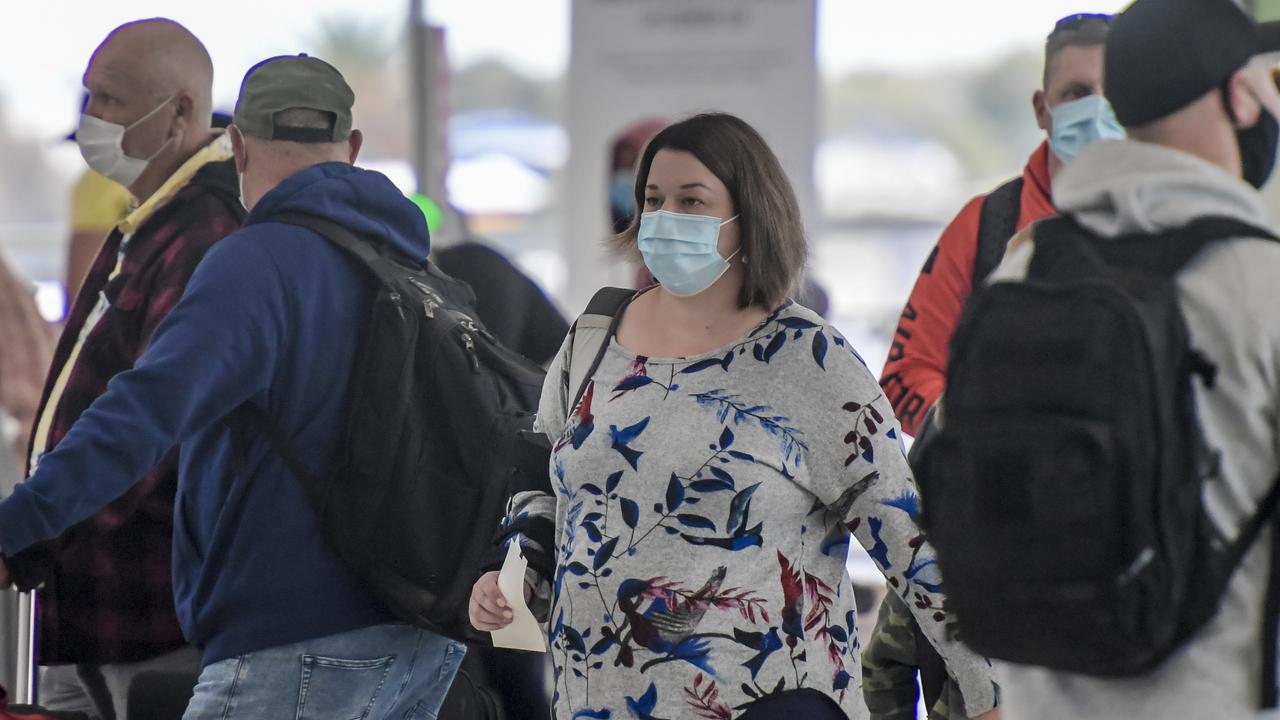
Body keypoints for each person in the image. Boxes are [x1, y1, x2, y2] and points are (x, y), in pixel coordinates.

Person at [469, 112, 1000, 720]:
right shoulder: (593, 339)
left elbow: (909, 537)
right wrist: (518, 571)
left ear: (749, 217)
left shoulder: (806, 358)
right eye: (653, 199)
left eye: (692, 200)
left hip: (768, 703)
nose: (666, 218)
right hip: (595, 701)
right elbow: (548, 486)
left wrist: (986, 692)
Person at [0, 53, 465, 718]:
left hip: (295, 633)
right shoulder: (409, 265)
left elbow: (141, 415)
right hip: (422, 633)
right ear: (353, 147)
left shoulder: (256, 262)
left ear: (236, 145)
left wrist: (16, 530)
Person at [990, 0, 1280, 717]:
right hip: (1214, 698)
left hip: (1043, 696)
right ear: (1241, 94)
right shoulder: (1257, 281)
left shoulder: (1022, 270)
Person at [863, 14, 1122, 719]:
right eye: (1077, 93)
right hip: (987, 560)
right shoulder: (986, 226)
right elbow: (900, 380)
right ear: (1043, 108)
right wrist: (990, 426)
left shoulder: (1167, 225)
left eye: (1113, 92)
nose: (1095, 111)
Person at [6, 19, 244, 720]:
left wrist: (30, 530)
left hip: (152, 613)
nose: (90, 119)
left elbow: (150, 425)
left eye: (110, 100)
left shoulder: (205, 233)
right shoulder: (155, 219)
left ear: (179, 112)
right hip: (95, 599)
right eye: (87, 97)